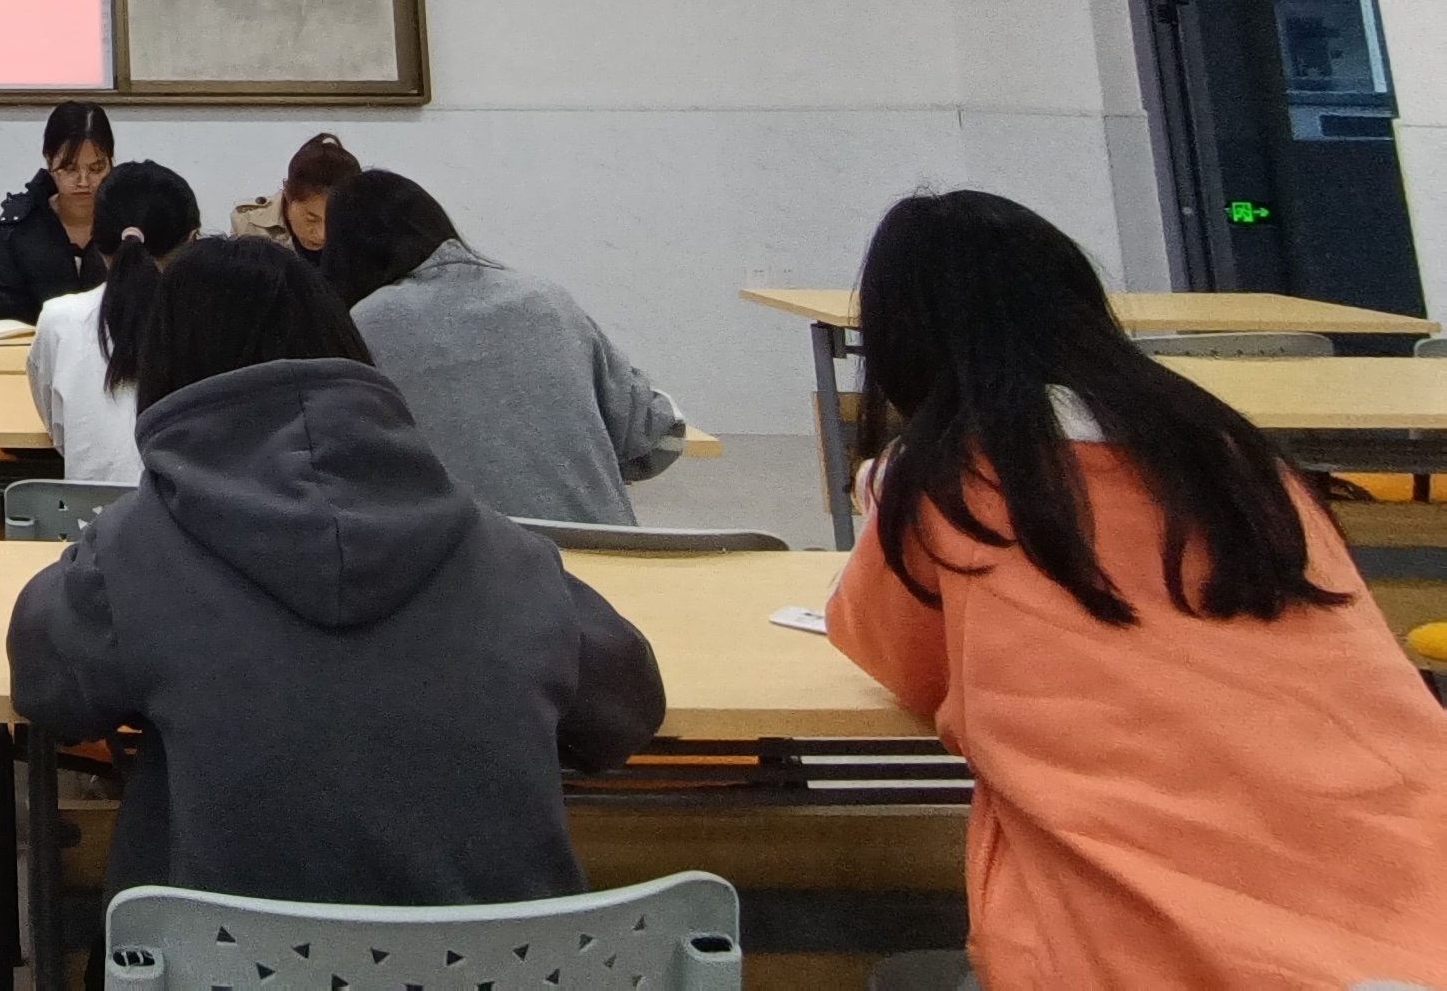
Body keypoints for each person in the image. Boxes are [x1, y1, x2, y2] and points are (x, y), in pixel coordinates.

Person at [825, 190, 1447, 990]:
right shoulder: (1236, 455)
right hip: (1402, 855)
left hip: (1150, 917)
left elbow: (905, 662)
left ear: (904, 340)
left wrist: (882, 499)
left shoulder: (946, 482)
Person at [7, 236, 662, 905]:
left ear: (164, 373)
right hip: (502, 956)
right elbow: (628, 716)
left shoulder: (131, 555)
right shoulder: (507, 556)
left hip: (227, 953)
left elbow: (49, 692)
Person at [319, 166, 683, 524]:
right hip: (601, 551)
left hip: (461, 556)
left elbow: (339, 472)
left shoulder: (362, 326)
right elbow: (659, 433)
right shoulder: (547, 300)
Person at [24, 160, 199, 486]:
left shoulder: (59, 320)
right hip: (184, 513)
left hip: (89, 514)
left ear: (96, 237)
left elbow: (59, 430)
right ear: (192, 239)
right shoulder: (212, 320)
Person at [0, 100, 113, 324]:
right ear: (49, 160)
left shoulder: (133, 219)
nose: (83, 181)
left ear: (110, 163)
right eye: (69, 168)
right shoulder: (21, 227)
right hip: (35, 344)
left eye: (96, 169)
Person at [228, 132, 358, 258]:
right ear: (288, 193)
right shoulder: (249, 226)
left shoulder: (362, 229)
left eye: (333, 221)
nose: (321, 234)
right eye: (311, 219)